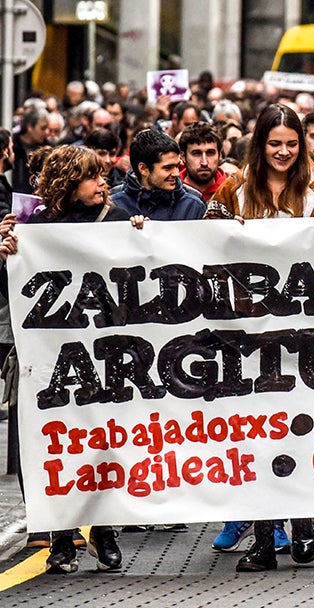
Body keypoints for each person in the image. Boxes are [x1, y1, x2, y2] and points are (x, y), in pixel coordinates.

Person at [209, 103, 314, 572]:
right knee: (257, 438)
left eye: (292, 144)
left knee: (302, 432)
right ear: (260, 144)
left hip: (306, 337)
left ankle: (303, 519)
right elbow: (198, 245)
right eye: (275, 144)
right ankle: (264, 540)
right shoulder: (233, 189)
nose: (284, 152)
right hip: (247, 339)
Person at [21, 145, 146, 573]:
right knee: (63, 443)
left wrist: (142, 237)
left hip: (107, 352)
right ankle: (62, 537)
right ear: (67, 183)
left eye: (102, 175)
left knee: (107, 441)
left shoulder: (116, 219)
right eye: (92, 177)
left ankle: (104, 529)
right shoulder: (36, 228)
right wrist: (7, 254)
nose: (101, 183)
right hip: (58, 355)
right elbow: (16, 292)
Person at [110, 129, 206, 221]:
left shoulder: (193, 205)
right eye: (168, 168)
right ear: (143, 169)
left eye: (177, 166)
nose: (176, 173)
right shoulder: (114, 204)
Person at [178, 121, 227, 200]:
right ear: (183, 156)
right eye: (196, 154)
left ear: (220, 155)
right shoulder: (171, 192)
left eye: (210, 153)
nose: (204, 162)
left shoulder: (231, 192)